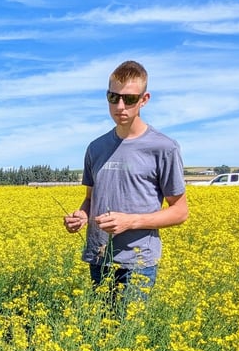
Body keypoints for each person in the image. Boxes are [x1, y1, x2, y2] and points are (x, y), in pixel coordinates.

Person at [63, 60, 188, 303]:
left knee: (128, 333)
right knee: (103, 331)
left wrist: (130, 222)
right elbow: (91, 198)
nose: (120, 106)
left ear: (144, 99)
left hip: (138, 262)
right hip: (99, 256)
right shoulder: (95, 148)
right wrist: (81, 215)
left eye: (129, 99)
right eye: (113, 97)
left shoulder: (164, 148)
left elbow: (180, 211)